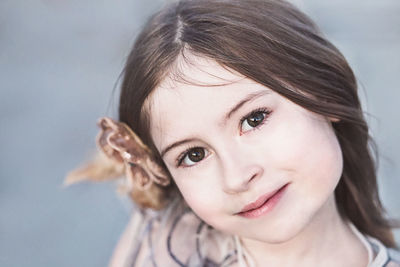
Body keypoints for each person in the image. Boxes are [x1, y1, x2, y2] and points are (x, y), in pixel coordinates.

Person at [66, 0, 400, 266]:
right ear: (161, 171)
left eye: (254, 119)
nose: (237, 176)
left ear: (323, 93)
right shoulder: (162, 243)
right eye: (193, 155)